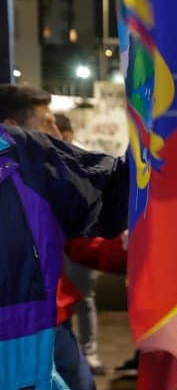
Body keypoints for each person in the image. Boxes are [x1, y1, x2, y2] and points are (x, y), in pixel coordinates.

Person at [0, 84, 130, 390]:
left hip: (41, 344)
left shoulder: (31, 167)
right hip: (38, 345)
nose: (59, 132)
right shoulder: (28, 164)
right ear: (14, 125)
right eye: (48, 123)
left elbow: (101, 223)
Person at [56, 113, 106, 373]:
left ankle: (89, 353)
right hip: (53, 243)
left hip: (79, 241)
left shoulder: (83, 160)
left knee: (85, 299)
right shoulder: (39, 159)